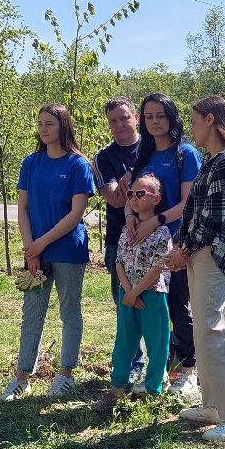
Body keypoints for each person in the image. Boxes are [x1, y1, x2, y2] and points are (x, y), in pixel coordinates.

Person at [166, 96, 225, 442]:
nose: (192, 129)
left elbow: (212, 222)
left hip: (213, 255)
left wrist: (182, 251)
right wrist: (182, 247)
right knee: (203, 332)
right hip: (197, 254)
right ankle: (214, 406)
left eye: (195, 121)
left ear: (211, 120)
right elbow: (193, 213)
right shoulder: (211, 162)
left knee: (212, 332)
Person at [1, 104, 95, 400]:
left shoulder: (78, 165)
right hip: (36, 253)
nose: (43, 129)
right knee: (32, 313)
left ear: (63, 126)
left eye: (50, 124)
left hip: (68, 250)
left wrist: (40, 244)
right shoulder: (30, 163)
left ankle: (65, 375)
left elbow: (76, 213)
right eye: (40, 123)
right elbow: (23, 209)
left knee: (69, 312)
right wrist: (31, 247)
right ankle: (22, 377)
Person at [129, 94, 202, 397]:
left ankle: (188, 371)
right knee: (155, 309)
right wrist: (131, 217)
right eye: (148, 117)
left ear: (172, 118)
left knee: (178, 304)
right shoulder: (144, 156)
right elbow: (133, 195)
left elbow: (189, 204)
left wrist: (154, 220)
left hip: (178, 242)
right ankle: (158, 370)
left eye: (161, 115)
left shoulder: (186, 154)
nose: (155, 121)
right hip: (148, 246)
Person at [95, 173, 174, 413]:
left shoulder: (162, 233)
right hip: (127, 295)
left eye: (141, 194)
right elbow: (118, 262)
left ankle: (152, 388)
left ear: (156, 199)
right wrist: (128, 293)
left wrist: (137, 291)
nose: (135, 198)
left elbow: (158, 266)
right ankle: (118, 386)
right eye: (131, 194)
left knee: (157, 342)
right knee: (124, 341)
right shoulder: (126, 230)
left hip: (152, 295)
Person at [95, 96, 144, 383]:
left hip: (157, 237)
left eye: (124, 117)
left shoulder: (154, 146)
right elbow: (114, 199)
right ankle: (134, 363)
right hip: (119, 240)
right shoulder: (104, 158)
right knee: (125, 301)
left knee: (162, 301)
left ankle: (169, 361)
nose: (120, 124)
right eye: (113, 121)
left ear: (135, 117)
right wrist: (132, 175)